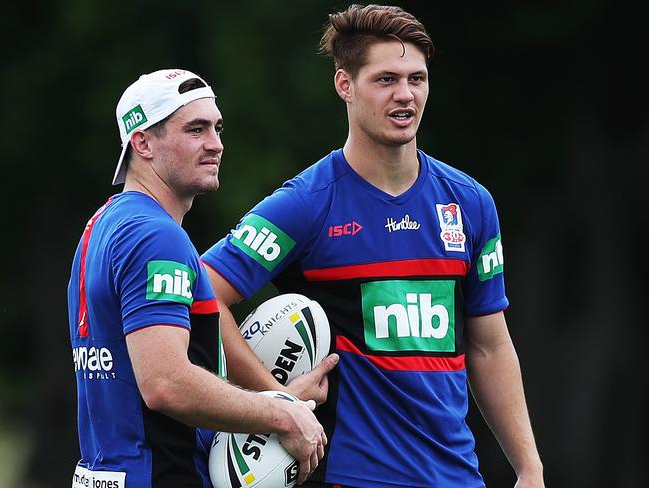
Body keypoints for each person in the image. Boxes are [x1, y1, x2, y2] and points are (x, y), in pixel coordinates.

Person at [201, 5, 544, 488]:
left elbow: (489, 346)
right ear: (345, 85)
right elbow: (200, 293)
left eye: (417, 79)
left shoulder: (470, 203)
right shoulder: (306, 204)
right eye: (385, 79)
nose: (405, 95)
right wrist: (275, 401)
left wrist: (529, 467)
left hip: (457, 476)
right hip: (351, 477)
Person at [67, 69, 331, 488]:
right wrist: (283, 414)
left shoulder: (104, 224)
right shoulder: (156, 236)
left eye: (217, 127)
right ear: (142, 142)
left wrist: (279, 397)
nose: (216, 143)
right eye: (196, 129)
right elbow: (166, 383)